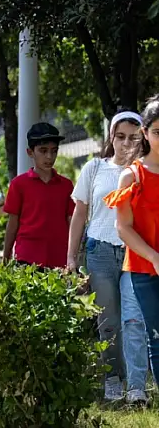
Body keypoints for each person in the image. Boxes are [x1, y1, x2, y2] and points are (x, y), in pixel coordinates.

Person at [68, 111, 145, 404]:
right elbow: (79, 214)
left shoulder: (145, 171)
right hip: (99, 252)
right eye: (120, 136)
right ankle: (113, 377)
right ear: (111, 137)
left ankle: (137, 387)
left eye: (133, 137)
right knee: (108, 321)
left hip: (134, 253)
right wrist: (71, 258)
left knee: (134, 319)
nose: (126, 143)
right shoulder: (94, 168)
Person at [106, 98, 159, 410]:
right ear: (145, 132)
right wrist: (153, 256)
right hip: (143, 267)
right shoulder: (133, 176)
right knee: (155, 335)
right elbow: (123, 227)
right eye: (157, 131)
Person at [2, 123, 73, 268]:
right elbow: (13, 222)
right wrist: (6, 254)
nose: (49, 156)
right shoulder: (18, 184)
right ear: (30, 152)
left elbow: (72, 221)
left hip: (59, 258)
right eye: (43, 150)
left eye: (54, 151)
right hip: (27, 257)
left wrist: (75, 254)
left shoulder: (66, 185)